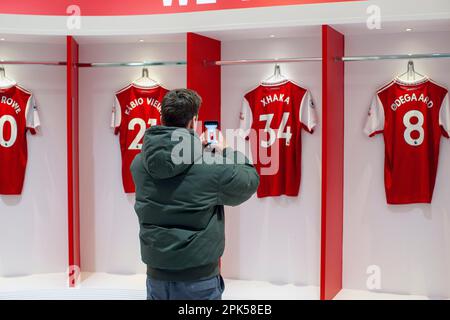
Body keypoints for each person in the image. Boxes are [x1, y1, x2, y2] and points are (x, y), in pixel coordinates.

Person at [130, 89, 259, 300]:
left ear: (162, 118)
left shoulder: (139, 164)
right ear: (194, 121)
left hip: (156, 277)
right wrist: (226, 150)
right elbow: (249, 181)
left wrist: (192, 148)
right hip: (198, 280)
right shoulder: (211, 166)